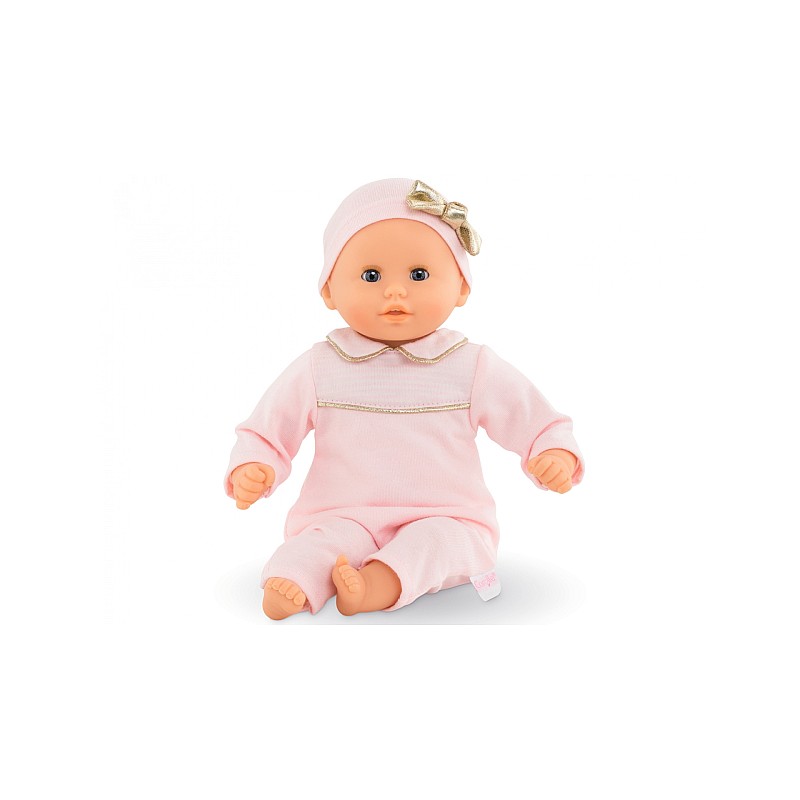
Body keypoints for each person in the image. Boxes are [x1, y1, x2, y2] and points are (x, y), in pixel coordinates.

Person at [224, 178, 584, 619]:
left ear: (462, 286)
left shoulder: (470, 365)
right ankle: (294, 577)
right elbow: (268, 428)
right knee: (322, 541)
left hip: (448, 515)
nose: (395, 291)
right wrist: (255, 465)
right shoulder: (322, 366)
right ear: (329, 290)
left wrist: (551, 452)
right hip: (344, 513)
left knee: (441, 543)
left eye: (418, 275)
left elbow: (535, 419)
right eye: (371, 276)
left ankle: (378, 584)